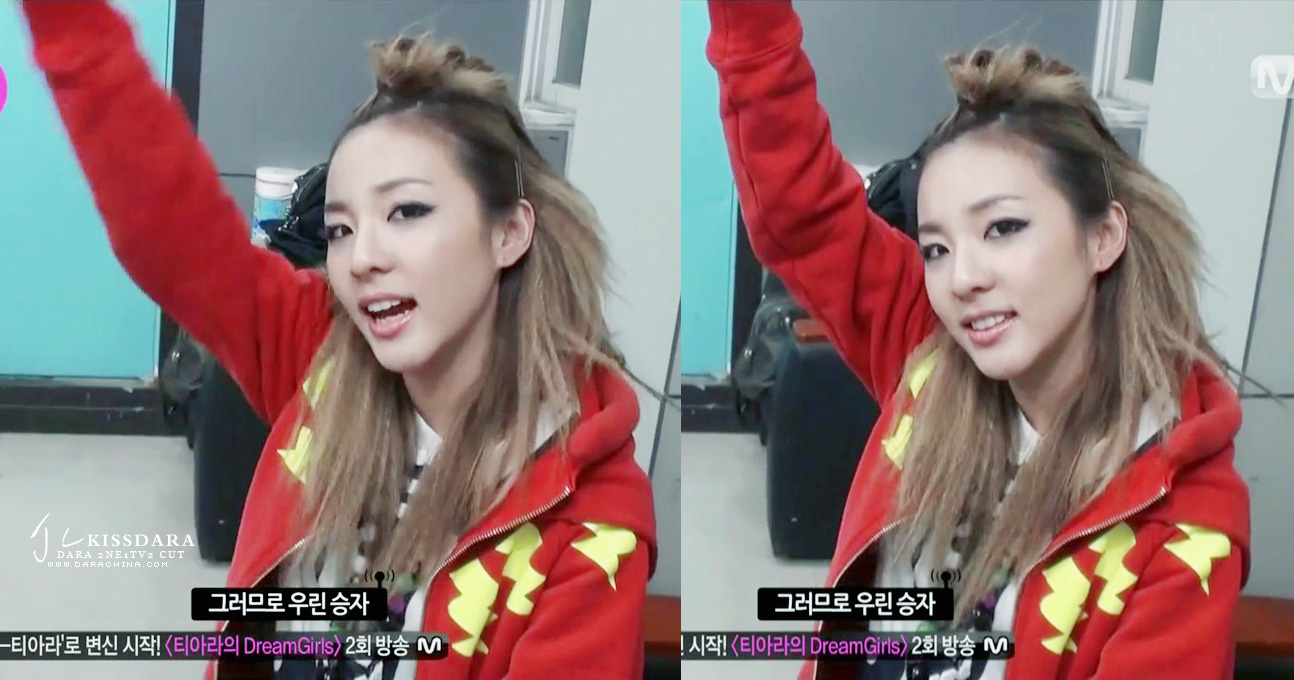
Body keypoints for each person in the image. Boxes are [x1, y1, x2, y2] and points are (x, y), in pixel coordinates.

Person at [18, 1, 656, 679]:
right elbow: (162, 222)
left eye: (407, 211)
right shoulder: (320, 348)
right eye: (340, 230)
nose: (362, 259)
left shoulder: (591, 530)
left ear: (509, 233)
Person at [706, 2, 1248, 679]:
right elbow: (800, 208)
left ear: (1103, 237)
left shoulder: (1184, 528)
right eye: (935, 248)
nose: (963, 279)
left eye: (1003, 229)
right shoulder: (930, 348)